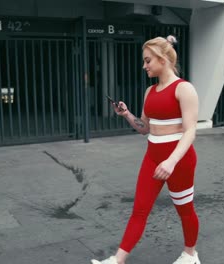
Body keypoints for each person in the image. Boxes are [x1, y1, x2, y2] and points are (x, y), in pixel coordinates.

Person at [91, 35, 201, 264]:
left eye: (148, 60)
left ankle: (190, 255)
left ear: (162, 59)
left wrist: (170, 162)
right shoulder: (149, 92)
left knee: (185, 210)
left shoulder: (184, 89)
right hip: (152, 158)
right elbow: (145, 128)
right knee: (139, 210)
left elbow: (190, 131)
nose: (144, 66)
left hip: (179, 162)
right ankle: (117, 260)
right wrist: (127, 115)